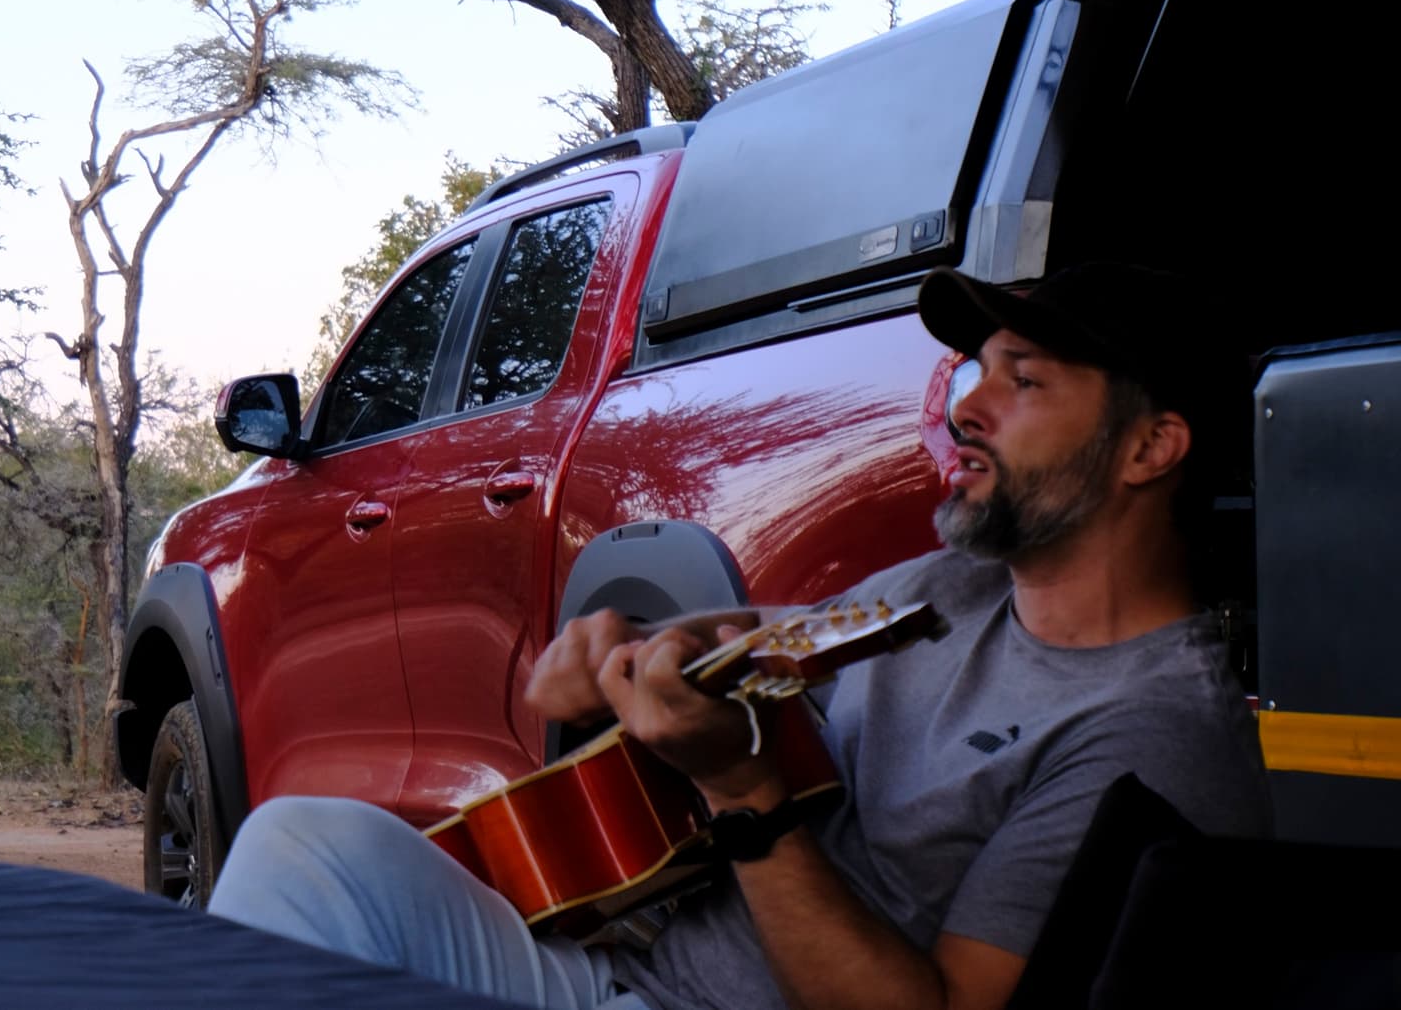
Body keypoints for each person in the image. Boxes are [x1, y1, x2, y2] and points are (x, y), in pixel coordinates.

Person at [206, 262, 1271, 1010]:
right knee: (305, 843)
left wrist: (745, 800)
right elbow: (756, 643)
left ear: (1150, 446)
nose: (962, 407)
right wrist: (621, 652)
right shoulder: (952, 587)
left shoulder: (1146, 729)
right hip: (626, 974)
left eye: (1022, 378)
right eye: (974, 370)